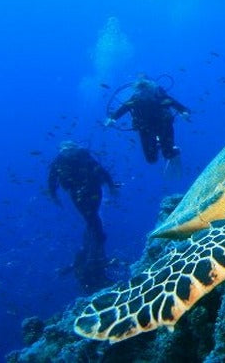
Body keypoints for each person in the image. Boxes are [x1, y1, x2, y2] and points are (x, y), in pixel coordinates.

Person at [47, 141, 117, 292]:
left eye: (71, 149)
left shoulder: (84, 158)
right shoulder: (58, 163)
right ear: (61, 151)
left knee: (92, 216)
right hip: (76, 192)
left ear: (75, 149)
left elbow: (102, 171)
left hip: (93, 188)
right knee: (89, 218)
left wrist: (111, 185)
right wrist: (53, 195)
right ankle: (96, 235)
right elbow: (52, 180)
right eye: (65, 150)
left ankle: (98, 236)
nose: (68, 153)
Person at [105, 78, 190, 164]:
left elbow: (177, 105)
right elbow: (123, 108)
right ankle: (160, 145)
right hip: (145, 129)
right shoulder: (135, 100)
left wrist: (185, 112)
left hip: (164, 126)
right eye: (142, 92)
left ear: (152, 90)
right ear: (139, 91)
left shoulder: (160, 96)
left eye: (148, 91)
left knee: (168, 154)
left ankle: (173, 150)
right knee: (151, 159)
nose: (145, 94)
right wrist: (112, 118)